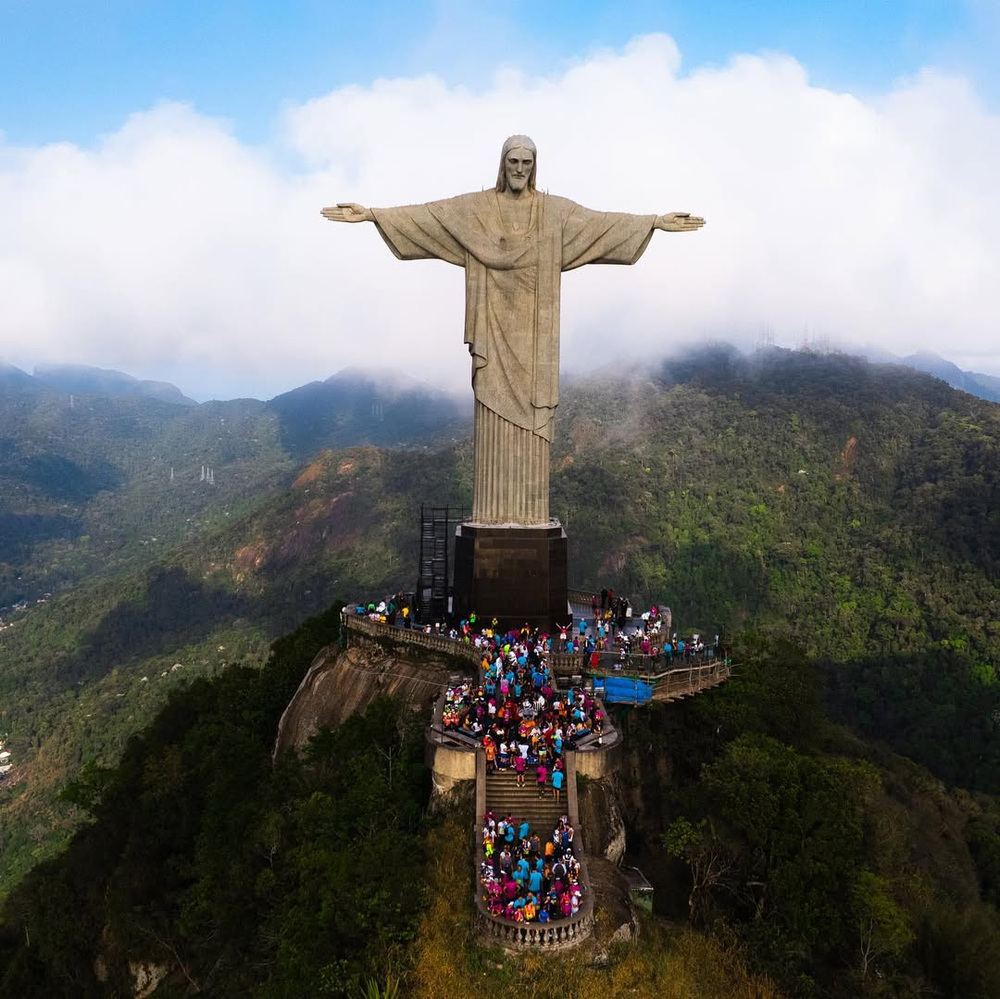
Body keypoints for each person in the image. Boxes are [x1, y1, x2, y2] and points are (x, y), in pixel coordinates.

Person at [322, 136, 705, 525]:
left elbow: (601, 224)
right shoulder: (478, 209)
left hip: (535, 340)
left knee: (533, 422)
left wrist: (654, 223)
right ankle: (491, 514)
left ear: (535, 166)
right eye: (513, 161)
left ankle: (528, 516)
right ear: (502, 164)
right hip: (493, 326)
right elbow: (431, 216)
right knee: (491, 409)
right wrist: (372, 214)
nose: (519, 169)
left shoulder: (554, 214)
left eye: (526, 162)